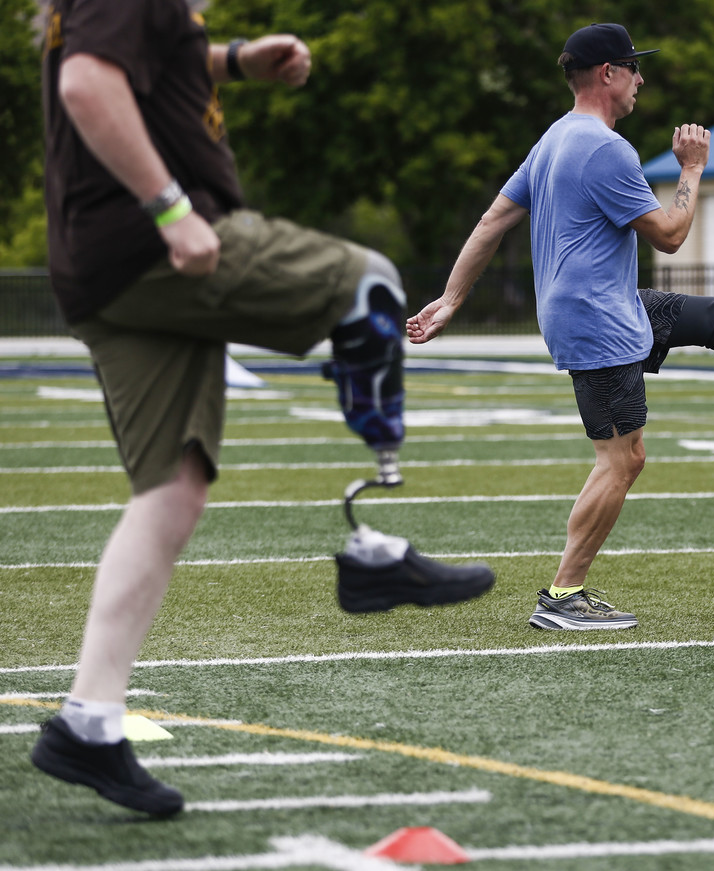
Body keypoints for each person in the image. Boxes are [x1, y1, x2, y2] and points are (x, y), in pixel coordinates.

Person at [31, 0, 493, 817]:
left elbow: (141, 59)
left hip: (98, 269)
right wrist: (171, 208)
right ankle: (376, 541)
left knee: (171, 491)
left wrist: (235, 60)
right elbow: (88, 84)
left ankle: (88, 722)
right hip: (151, 243)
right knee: (369, 287)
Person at [408, 23, 714, 631]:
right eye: (633, 68)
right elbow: (670, 235)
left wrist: (451, 299)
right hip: (596, 319)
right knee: (623, 458)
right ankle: (563, 597)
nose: (641, 79)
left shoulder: (555, 138)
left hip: (609, 303)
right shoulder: (605, 148)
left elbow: (491, 222)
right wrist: (691, 168)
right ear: (607, 74)